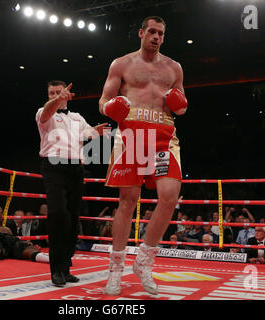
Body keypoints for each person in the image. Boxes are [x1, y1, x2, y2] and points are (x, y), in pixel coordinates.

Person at [99, 16, 188, 295]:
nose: (156, 36)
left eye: (161, 33)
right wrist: (110, 108)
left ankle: (144, 261)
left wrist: (179, 104)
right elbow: (103, 102)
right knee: (128, 200)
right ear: (141, 33)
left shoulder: (174, 67)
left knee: (170, 196)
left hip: (164, 135)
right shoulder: (122, 63)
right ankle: (115, 270)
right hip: (132, 133)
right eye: (151, 31)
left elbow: (182, 107)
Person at [36, 80, 110, 287]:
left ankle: (65, 267)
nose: (54, 95)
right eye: (51, 92)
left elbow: (88, 134)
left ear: (68, 95)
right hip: (54, 167)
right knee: (58, 215)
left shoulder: (77, 118)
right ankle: (56, 269)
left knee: (72, 218)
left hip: (76, 169)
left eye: (58, 92)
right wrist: (56, 100)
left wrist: (99, 131)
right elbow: (46, 113)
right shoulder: (44, 112)